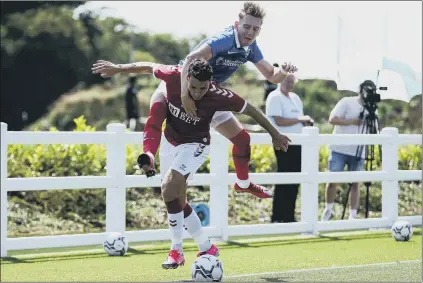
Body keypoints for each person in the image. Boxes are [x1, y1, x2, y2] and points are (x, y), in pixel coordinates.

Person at [95, 58, 291, 268]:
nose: (197, 93)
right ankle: (206, 247)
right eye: (194, 87)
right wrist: (118, 68)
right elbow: (149, 66)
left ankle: (176, 250)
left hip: (196, 145)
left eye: (203, 88)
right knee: (175, 199)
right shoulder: (172, 76)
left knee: (169, 188)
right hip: (171, 142)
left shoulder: (218, 95)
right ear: (186, 78)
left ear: (210, 83)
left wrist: (275, 133)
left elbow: (251, 109)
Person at [95, 1, 297, 199]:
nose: (251, 33)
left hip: (208, 95)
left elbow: (271, 75)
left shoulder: (251, 48)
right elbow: (191, 59)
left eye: (256, 29)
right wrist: (184, 95)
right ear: (237, 24)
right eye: (247, 27)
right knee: (156, 114)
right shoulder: (225, 39)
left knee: (243, 139)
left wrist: (283, 72)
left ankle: (243, 184)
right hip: (182, 84)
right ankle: (148, 156)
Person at [320, 81, 375, 221]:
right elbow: (332, 119)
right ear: (361, 90)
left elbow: (374, 131)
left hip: (359, 150)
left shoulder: (373, 108)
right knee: (333, 180)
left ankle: (352, 215)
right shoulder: (347, 102)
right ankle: (328, 210)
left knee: (355, 183)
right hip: (339, 148)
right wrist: (352, 121)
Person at [266, 74, 314, 223]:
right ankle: (278, 216)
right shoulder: (274, 97)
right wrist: (301, 119)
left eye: (292, 82)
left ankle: (289, 215)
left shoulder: (295, 98)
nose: (290, 84)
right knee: (284, 177)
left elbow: (297, 119)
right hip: (283, 143)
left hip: (298, 144)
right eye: (287, 81)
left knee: (295, 180)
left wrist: (306, 122)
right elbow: (279, 121)